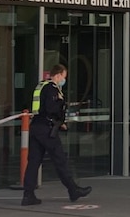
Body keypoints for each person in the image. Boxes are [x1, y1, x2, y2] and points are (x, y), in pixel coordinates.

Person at [22, 64, 92, 206]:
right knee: (60, 160)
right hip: (47, 129)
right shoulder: (52, 89)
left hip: (36, 126)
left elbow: (37, 107)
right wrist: (61, 117)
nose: (63, 80)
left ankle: (28, 195)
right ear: (58, 75)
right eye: (63, 77)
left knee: (34, 162)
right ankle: (73, 190)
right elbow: (52, 108)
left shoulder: (40, 86)